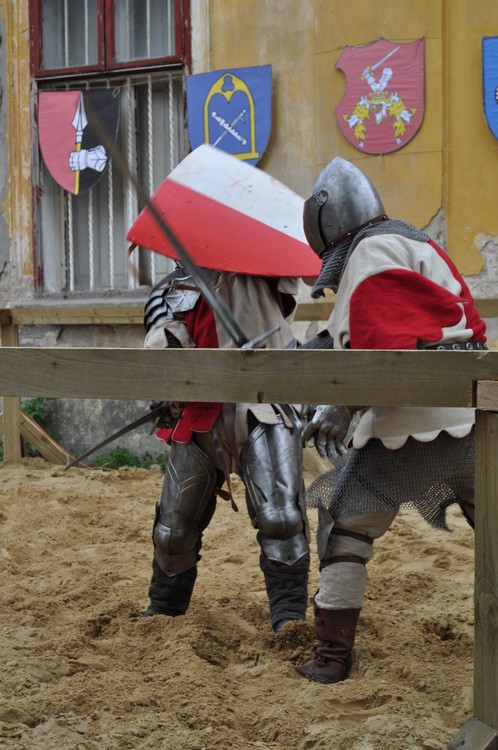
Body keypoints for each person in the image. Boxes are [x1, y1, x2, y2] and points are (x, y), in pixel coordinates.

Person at [296, 156, 487, 683]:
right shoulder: (419, 243)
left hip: (407, 423)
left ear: (327, 223)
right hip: (472, 418)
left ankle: (332, 657)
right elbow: (452, 328)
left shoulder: (369, 252)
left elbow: (386, 344)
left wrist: (345, 404)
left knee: (346, 527)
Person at [133, 265, 310, 634]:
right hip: (201, 411)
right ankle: (164, 610)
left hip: (263, 405)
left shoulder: (262, 271)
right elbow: (164, 354)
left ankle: (289, 620)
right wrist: (169, 392)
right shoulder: (171, 289)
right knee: (172, 531)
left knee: (281, 520)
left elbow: (290, 292)